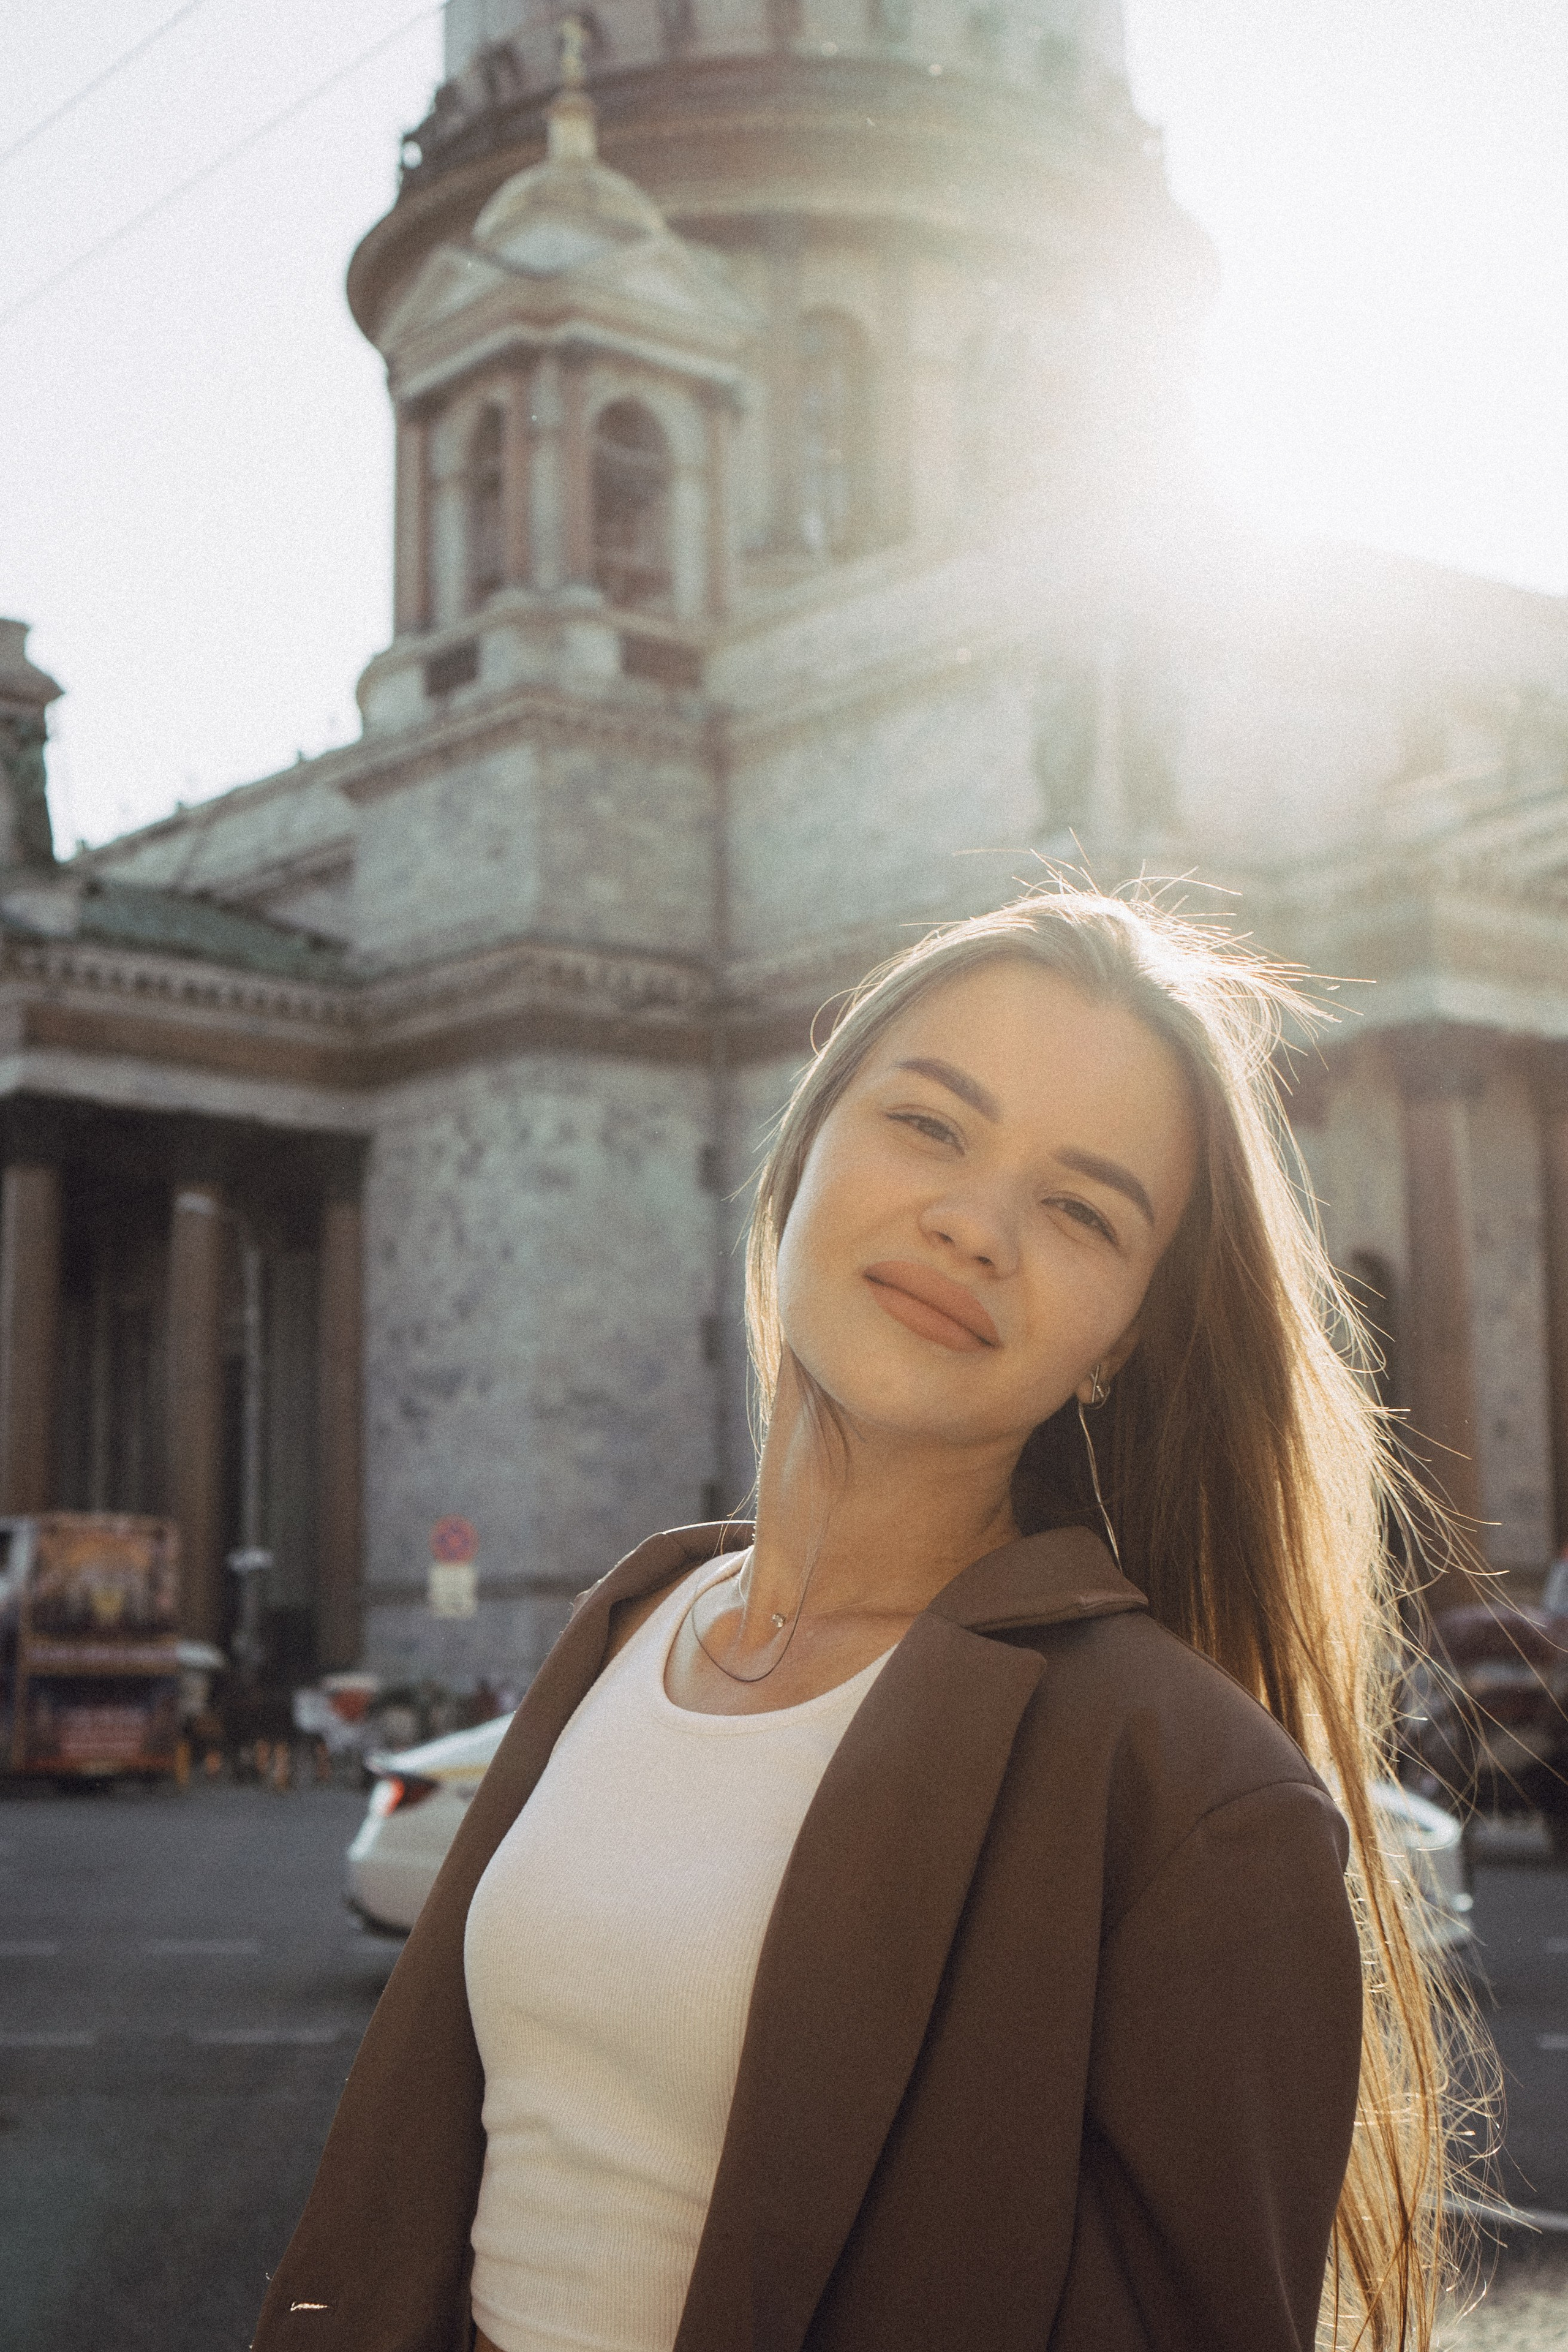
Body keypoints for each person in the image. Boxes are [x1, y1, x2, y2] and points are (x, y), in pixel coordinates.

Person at [255, 888, 1469, 2352]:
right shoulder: (641, 1617)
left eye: (1080, 1210)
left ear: (1123, 1340)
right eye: (929, 1126)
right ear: (803, 1144)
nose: (972, 1226)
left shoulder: (1195, 1791)